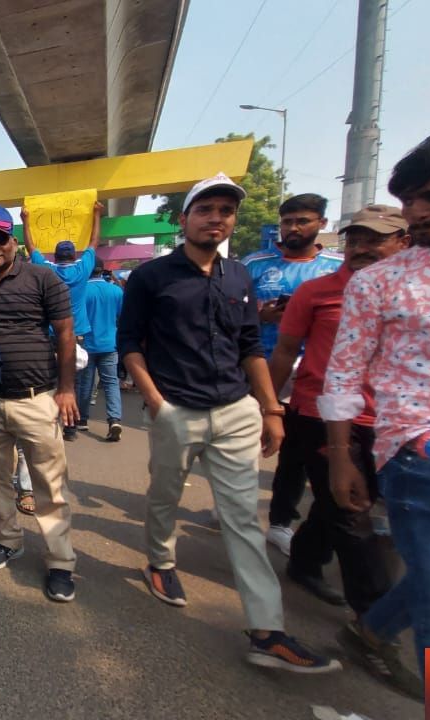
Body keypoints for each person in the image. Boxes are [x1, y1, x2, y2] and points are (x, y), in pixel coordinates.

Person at [119, 173, 338, 673]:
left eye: (225, 210)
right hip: (177, 409)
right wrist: (156, 401)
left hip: (236, 410)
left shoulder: (239, 275)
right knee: (164, 494)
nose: (217, 218)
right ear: (185, 219)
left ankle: (267, 630)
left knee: (241, 519)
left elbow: (248, 347)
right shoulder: (153, 277)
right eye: (206, 209)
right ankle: (161, 561)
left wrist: (269, 408)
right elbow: (130, 342)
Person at [322, 125, 430, 676]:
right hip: (425, 452)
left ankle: (370, 630)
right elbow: (344, 371)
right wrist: (342, 455)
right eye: (410, 201)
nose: (416, 213)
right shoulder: (382, 282)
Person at [265, 204, 419, 695]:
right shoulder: (320, 292)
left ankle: (308, 560)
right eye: (355, 238)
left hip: (406, 426)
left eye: (377, 239)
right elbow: (286, 352)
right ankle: (373, 624)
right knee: (357, 520)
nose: (362, 248)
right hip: (326, 418)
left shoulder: (429, 292)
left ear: (404, 242)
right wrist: (268, 409)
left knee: (345, 511)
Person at [0, 204, 81, 604]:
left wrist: (67, 389)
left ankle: (60, 561)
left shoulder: (43, 278)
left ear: (13, 240)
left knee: (49, 485)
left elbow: (64, 334)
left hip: (37, 397)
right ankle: (7, 541)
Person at [245, 194, 343, 558]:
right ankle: (232, 503)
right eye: (287, 221)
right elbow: (229, 309)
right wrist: (259, 313)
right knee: (242, 440)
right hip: (257, 363)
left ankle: (281, 522)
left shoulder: (337, 266)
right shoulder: (255, 264)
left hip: (314, 371)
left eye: (302, 221)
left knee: (296, 451)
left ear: (321, 223)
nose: (293, 228)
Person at [27, 201, 103, 436]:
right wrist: (96, 214)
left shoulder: (46, 270)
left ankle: (50, 422)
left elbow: (31, 248)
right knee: (75, 382)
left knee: (50, 380)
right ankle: (71, 425)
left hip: (49, 334)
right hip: (76, 334)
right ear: (73, 255)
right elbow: (93, 242)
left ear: (57, 255)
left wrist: (25, 220)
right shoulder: (83, 269)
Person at [79, 258, 125, 440]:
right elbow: (123, 317)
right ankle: (114, 419)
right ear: (102, 270)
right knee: (111, 383)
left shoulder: (80, 291)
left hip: (87, 345)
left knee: (85, 384)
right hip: (110, 344)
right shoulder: (115, 291)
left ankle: (82, 419)